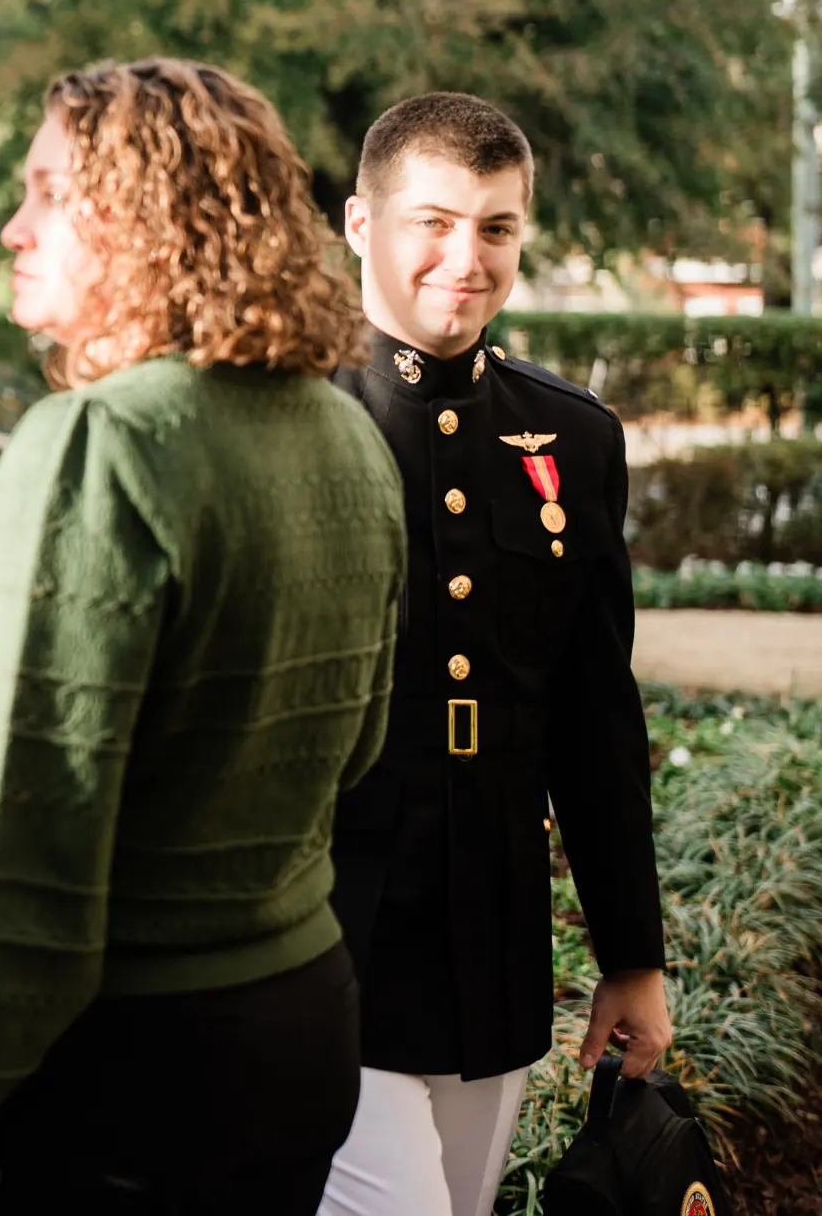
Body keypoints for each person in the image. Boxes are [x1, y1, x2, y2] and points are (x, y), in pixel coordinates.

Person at [0, 58, 407, 1216]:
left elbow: (25, 831)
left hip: (126, 1073)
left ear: (155, 215)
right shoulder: (345, 433)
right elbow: (354, 751)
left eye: (51, 193)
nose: (13, 226)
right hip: (301, 1021)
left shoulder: (101, 441)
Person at [320, 94, 667, 1216]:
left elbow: (594, 716)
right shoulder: (288, 416)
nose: (465, 260)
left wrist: (633, 956)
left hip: (491, 944)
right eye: (432, 222)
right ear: (360, 223)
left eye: (496, 227)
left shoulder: (572, 435)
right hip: (324, 941)